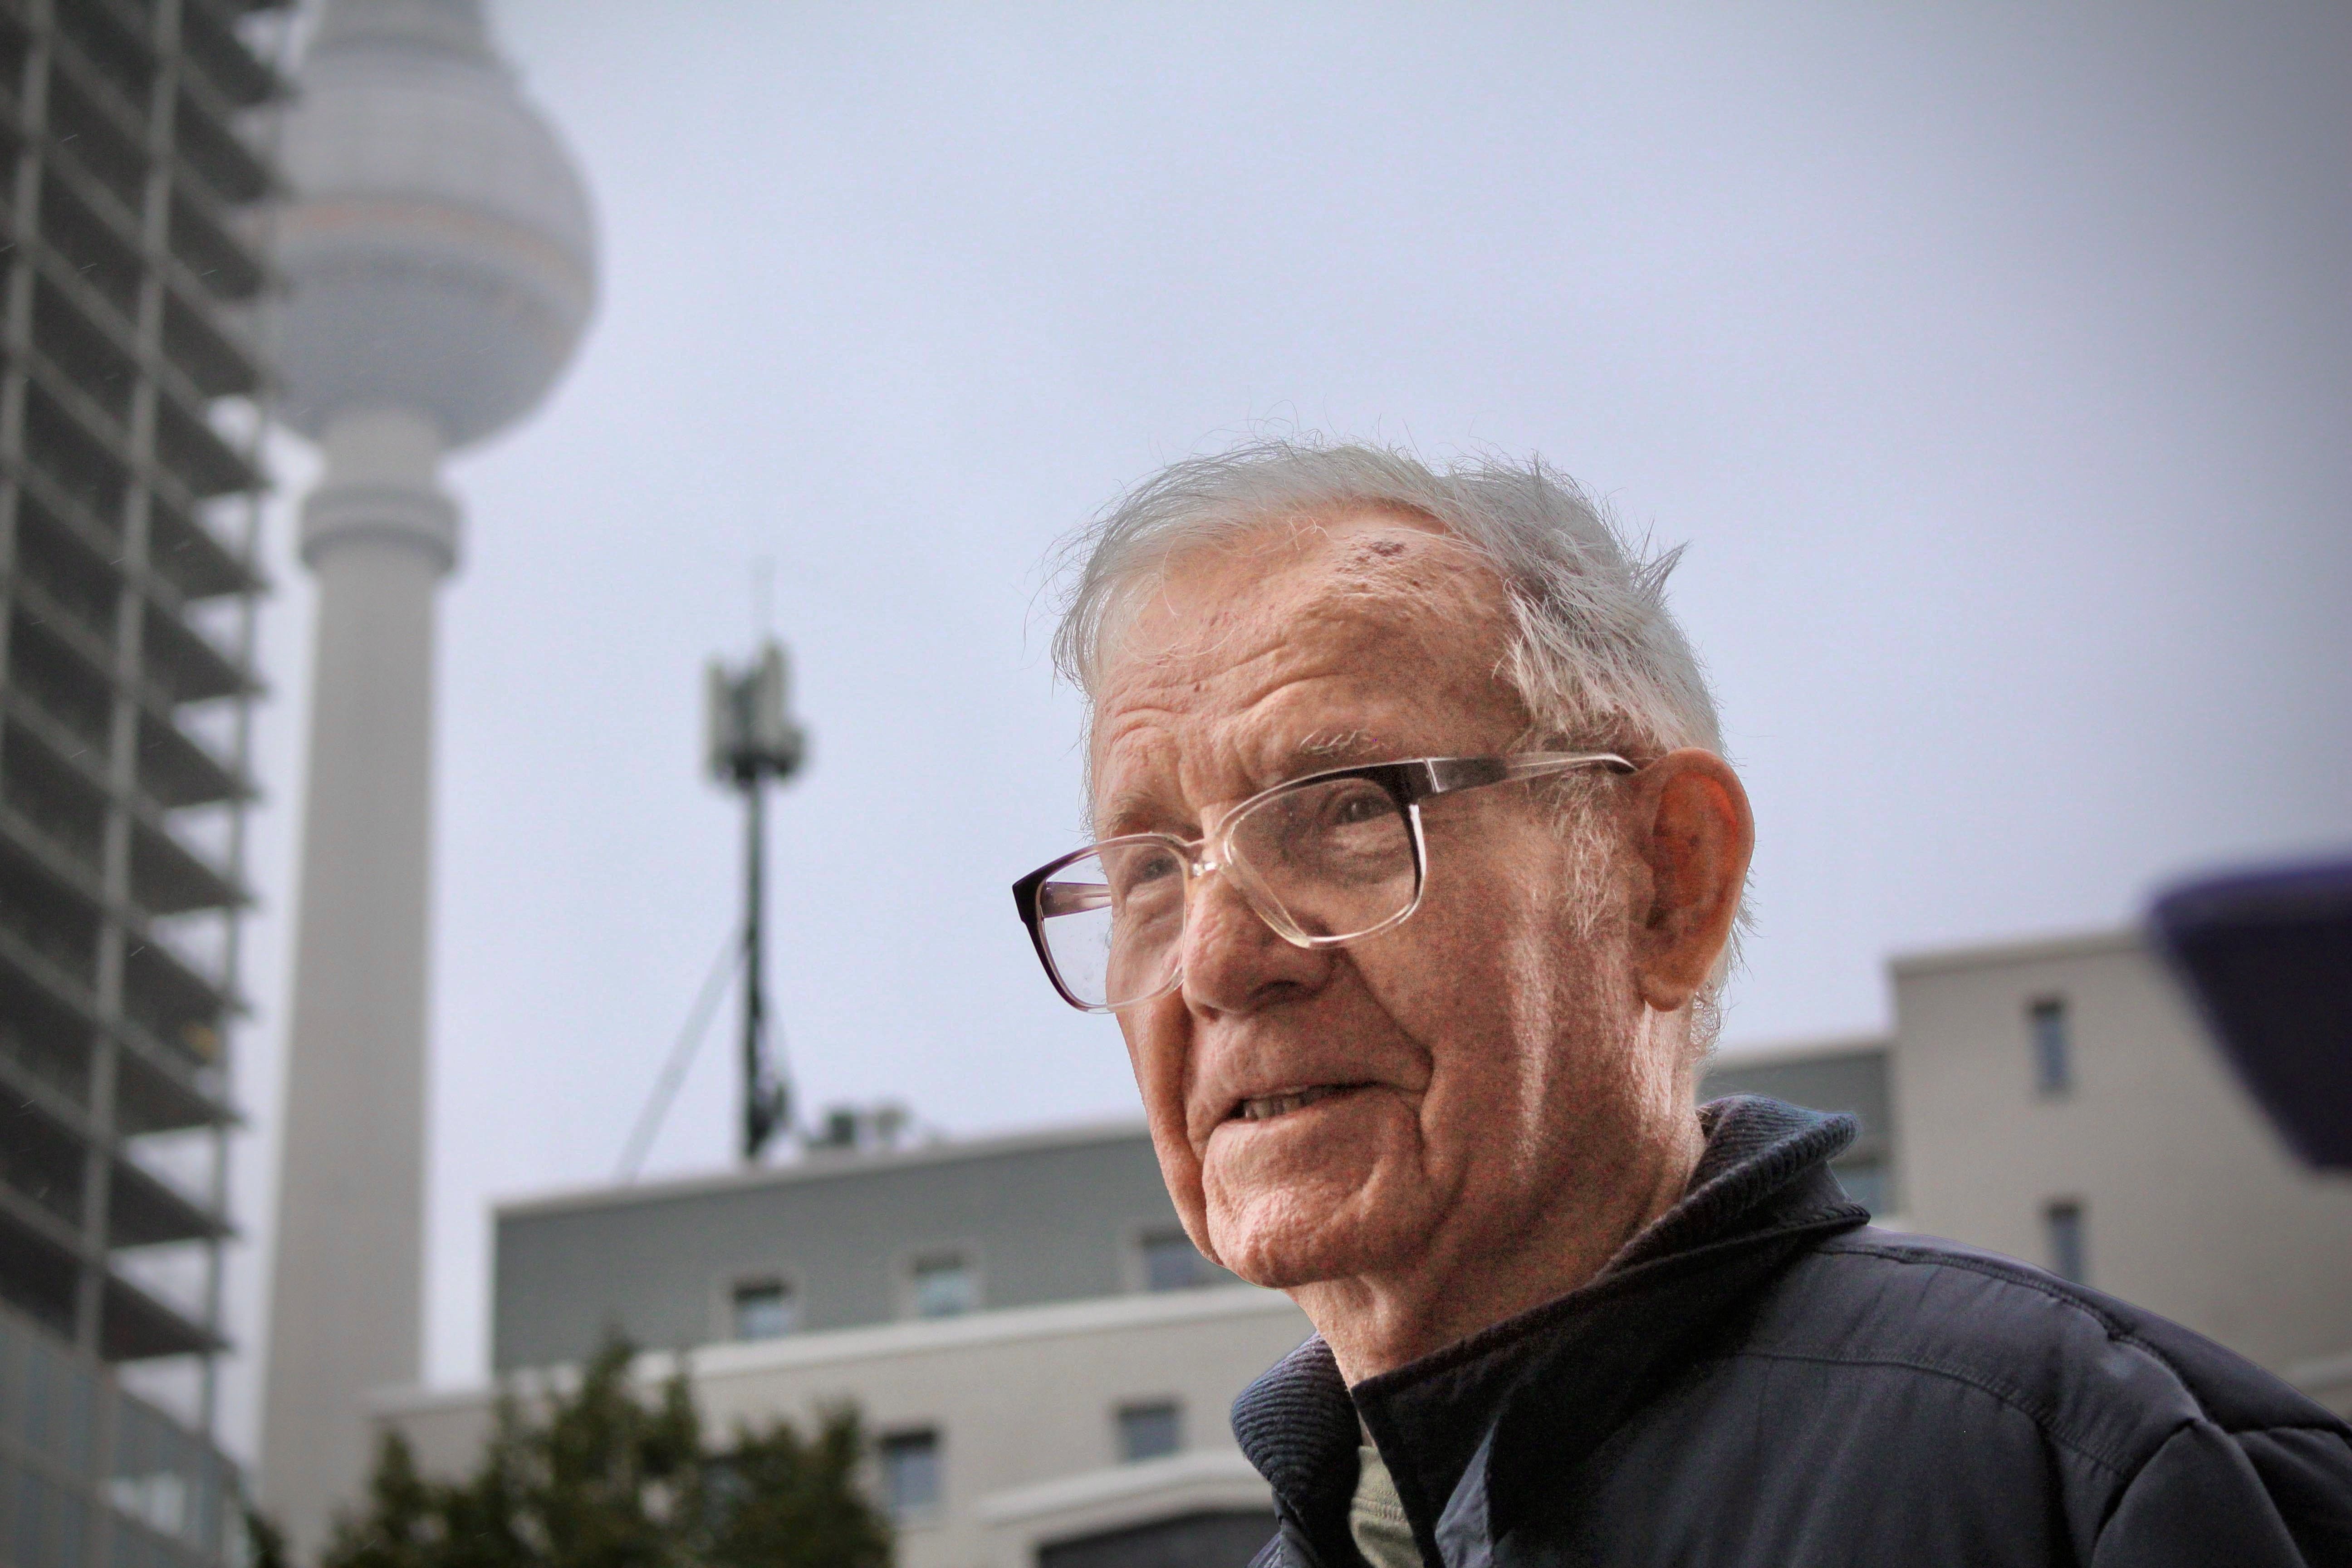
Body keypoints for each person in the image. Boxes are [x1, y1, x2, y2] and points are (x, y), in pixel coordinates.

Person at [1010, 441, 2352, 1566]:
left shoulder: (2096, 1480)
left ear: (1668, 880)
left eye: (1347, 811)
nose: (1217, 961)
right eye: (1147, 873)